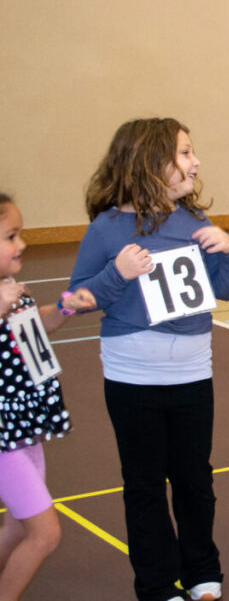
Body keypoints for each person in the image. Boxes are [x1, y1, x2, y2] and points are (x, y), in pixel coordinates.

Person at [69, 119, 229, 601]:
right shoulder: (106, 229)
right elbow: (76, 299)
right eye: (185, 153)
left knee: (195, 478)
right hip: (131, 377)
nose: (196, 162)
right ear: (149, 162)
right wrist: (117, 273)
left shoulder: (195, 222)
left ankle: (202, 568)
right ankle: (156, 583)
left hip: (193, 374)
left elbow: (225, 288)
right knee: (144, 484)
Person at [0, 193, 95, 601]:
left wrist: (64, 307)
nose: (21, 244)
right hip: (2, 437)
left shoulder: (12, 289)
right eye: (11, 236)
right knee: (45, 534)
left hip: (23, 428)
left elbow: (34, 325)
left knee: (18, 527)